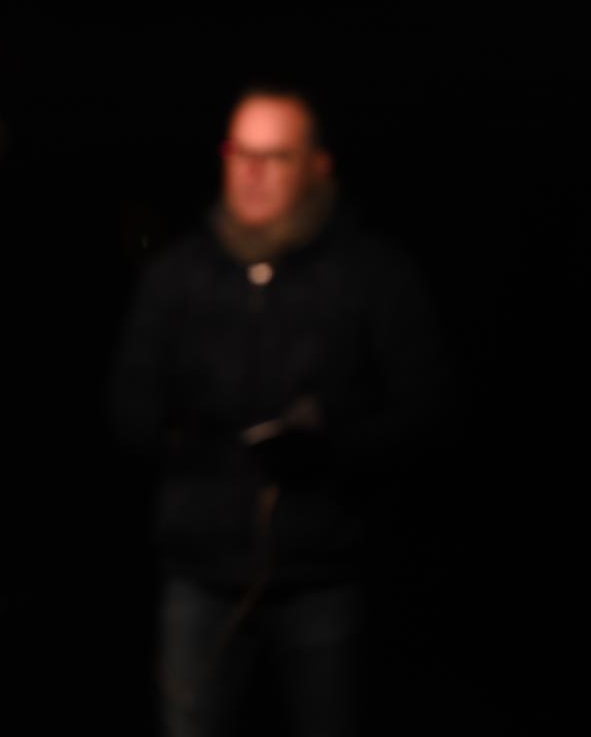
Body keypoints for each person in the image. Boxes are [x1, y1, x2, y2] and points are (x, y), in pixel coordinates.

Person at [112, 86, 451, 737]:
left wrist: (333, 445)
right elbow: (127, 404)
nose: (254, 173)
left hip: (326, 573)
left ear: (316, 166)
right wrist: (187, 436)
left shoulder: (372, 275)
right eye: (242, 154)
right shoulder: (179, 275)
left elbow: (427, 408)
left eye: (276, 156)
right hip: (200, 570)